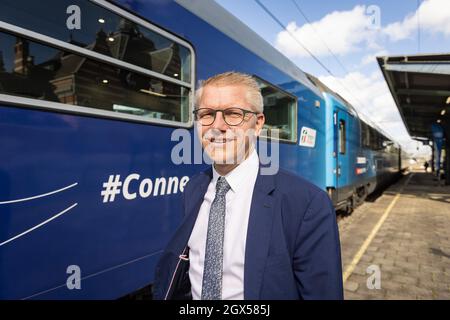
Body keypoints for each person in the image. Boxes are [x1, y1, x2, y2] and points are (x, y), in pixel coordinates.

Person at [153, 72, 343, 300]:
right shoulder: (194, 188)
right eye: (206, 114)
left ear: (257, 124)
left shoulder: (307, 203)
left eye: (233, 114)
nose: (218, 126)